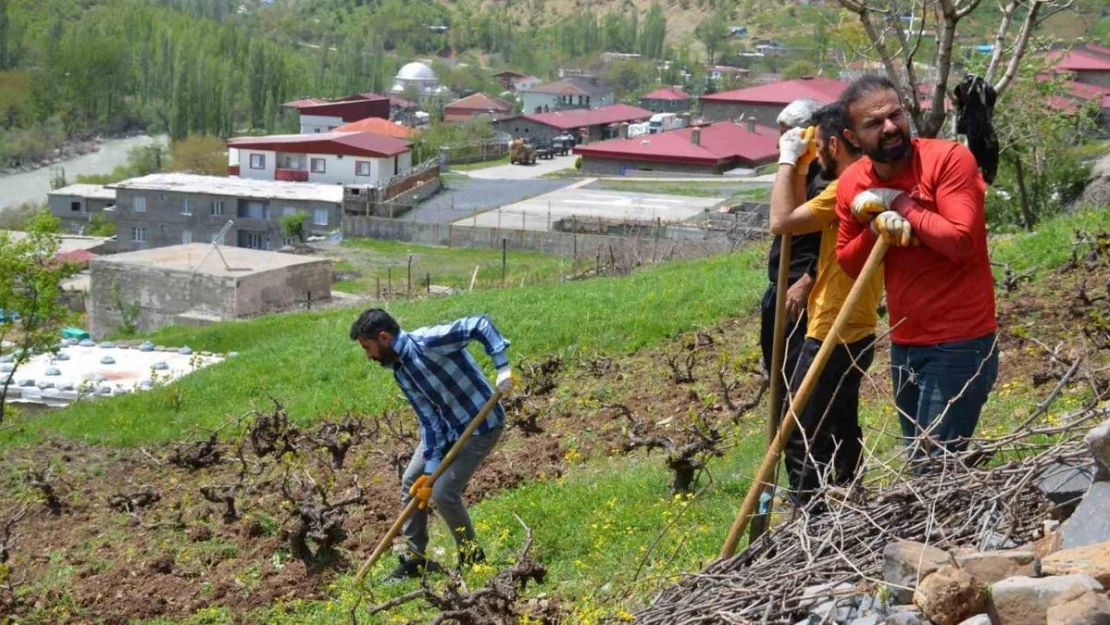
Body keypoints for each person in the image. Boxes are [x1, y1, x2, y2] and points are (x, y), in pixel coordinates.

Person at [834, 75, 998, 460]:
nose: (890, 127)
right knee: (924, 462)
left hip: (960, 341)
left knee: (932, 466)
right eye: (874, 123)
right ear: (852, 137)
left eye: (895, 114)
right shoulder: (853, 183)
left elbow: (961, 242)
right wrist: (876, 231)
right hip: (905, 344)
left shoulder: (947, 160)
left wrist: (898, 202)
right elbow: (849, 263)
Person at [768, 102, 883, 501]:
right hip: (856, 322)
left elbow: (782, 221)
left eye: (818, 146)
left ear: (835, 144)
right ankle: (848, 497)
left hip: (833, 325)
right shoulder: (868, 178)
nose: (815, 154)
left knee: (799, 432)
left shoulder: (845, 186)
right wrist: (800, 169)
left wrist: (786, 163)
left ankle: (810, 527)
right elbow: (800, 216)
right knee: (838, 420)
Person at [349, 309, 516, 580]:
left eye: (368, 348)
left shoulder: (429, 342)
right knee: (411, 482)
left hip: (481, 426)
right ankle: (416, 559)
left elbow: (479, 324)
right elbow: (429, 421)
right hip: (448, 430)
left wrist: (502, 366)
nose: (369, 356)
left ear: (384, 337)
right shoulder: (401, 372)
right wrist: (430, 467)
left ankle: (473, 556)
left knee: (443, 491)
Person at [760, 99, 825, 419]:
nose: (780, 141)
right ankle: (784, 447)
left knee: (801, 384)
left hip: (803, 290)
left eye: (787, 133)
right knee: (777, 376)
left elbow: (837, 239)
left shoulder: (827, 176)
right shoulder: (793, 170)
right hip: (779, 286)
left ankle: (802, 444)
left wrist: (807, 280)